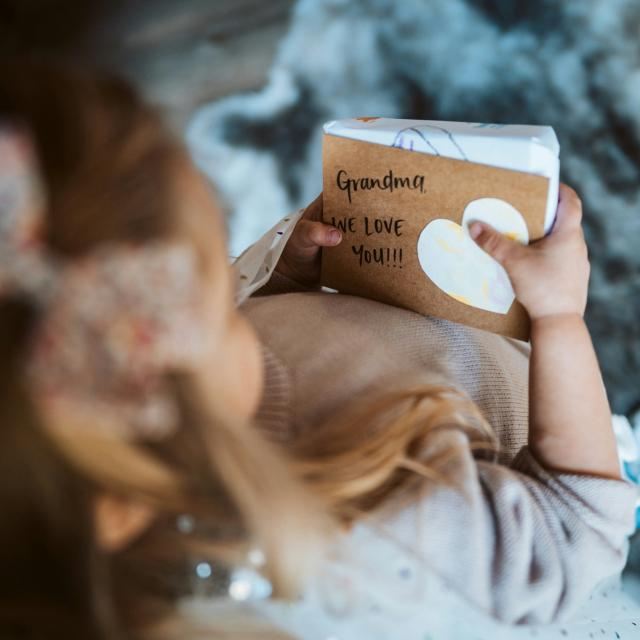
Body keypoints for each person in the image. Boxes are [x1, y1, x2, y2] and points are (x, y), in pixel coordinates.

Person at [0, 58, 635, 640]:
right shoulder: (389, 538)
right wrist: (559, 319)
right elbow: (576, 521)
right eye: (221, 304)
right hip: (574, 445)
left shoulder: (134, 396)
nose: (235, 297)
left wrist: (286, 278)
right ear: (173, 377)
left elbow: (238, 318)